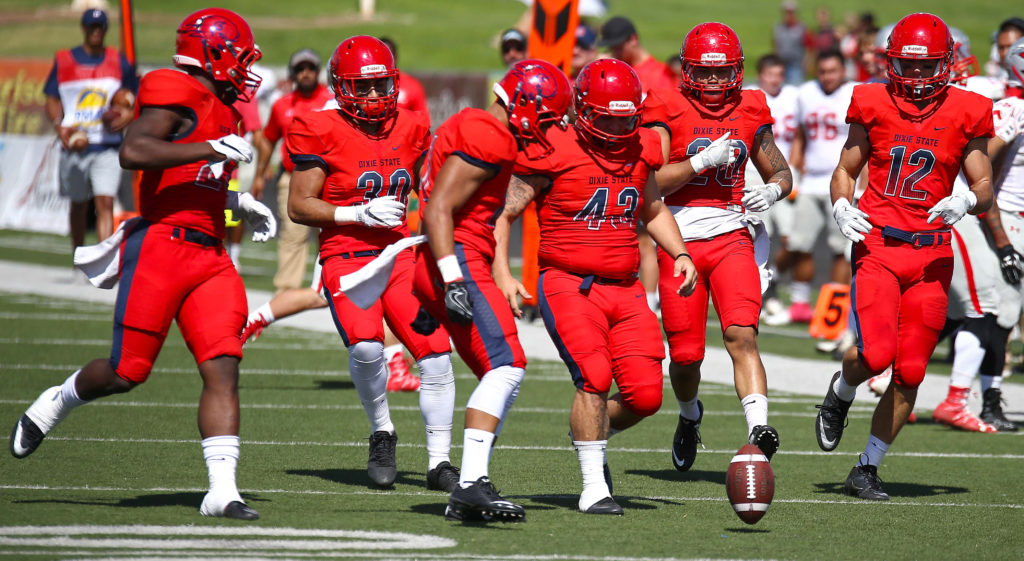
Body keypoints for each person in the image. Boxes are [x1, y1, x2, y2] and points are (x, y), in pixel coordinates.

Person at [10, 8, 277, 520]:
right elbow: (133, 150)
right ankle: (58, 400)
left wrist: (235, 204)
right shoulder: (173, 89)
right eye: (240, 57)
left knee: (223, 366)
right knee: (127, 371)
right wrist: (208, 145)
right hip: (162, 248)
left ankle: (222, 491)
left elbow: (197, 180)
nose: (245, 69)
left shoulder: (227, 111)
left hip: (210, 255)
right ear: (215, 53)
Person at [493, 59, 698, 515]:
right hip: (568, 283)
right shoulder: (553, 147)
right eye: (607, 116)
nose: (618, 126)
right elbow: (502, 213)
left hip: (624, 287)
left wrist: (680, 252)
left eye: (626, 116)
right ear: (583, 111)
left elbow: (653, 207)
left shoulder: (641, 146)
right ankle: (593, 487)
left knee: (646, 396)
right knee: (594, 376)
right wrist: (503, 273)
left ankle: (587, 430)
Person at [813, 12, 994, 501]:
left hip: (932, 254)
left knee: (911, 370)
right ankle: (841, 390)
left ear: (945, 64)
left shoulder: (968, 109)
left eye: (924, 67)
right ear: (892, 62)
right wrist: (841, 204)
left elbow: (983, 184)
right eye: (906, 67)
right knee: (875, 354)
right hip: (879, 244)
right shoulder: (872, 100)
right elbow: (846, 168)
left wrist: (968, 200)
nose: (914, 77)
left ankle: (866, 467)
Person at [284, 36, 458, 491]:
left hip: (401, 253)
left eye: (381, 85)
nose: (375, 96)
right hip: (348, 255)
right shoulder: (316, 127)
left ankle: (440, 461)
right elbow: (300, 204)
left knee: (436, 352)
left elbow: (434, 190)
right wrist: (355, 213)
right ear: (341, 88)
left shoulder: (414, 125)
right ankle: (382, 430)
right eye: (363, 88)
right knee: (366, 347)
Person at [413, 59, 571, 522]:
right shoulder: (490, 133)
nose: (550, 129)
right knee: (507, 365)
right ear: (524, 105)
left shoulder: (476, 123)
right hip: (455, 256)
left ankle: (471, 480)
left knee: (497, 372)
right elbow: (439, 208)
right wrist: (451, 277)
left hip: (449, 257)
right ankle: (469, 483)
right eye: (548, 118)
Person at [641, 22, 793, 472]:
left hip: (731, 236)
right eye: (704, 73)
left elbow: (781, 172)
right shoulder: (667, 104)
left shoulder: (750, 106)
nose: (712, 82)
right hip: (679, 238)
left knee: (741, 335)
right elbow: (651, 182)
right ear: (687, 71)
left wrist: (773, 192)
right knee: (685, 356)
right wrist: (699, 161)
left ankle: (758, 430)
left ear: (737, 70)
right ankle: (690, 416)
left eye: (721, 72)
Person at [936, 39, 1024, 433]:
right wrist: (1002, 241)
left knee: (998, 314)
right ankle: (974, 399)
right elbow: (981, 170)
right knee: (991, 313)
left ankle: (983, 398)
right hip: (1006, 217)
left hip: (1010, 218)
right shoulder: (1014, 109)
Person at [44, 8, 138, 263]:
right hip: (75, 142)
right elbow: (51, 98)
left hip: (106, 144)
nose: (95, 32)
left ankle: (102, 262)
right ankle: (78, 258)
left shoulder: (118, 61)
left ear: (106, 30)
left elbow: (134, 95)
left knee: (105, 203)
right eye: (91, 27)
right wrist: (59, 125)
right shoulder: (65, 60)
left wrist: (128, 114)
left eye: (100, 27)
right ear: (83, 28)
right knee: (78, 206)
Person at [783, 49, 858, 327]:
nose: (827, 77)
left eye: (833, 71)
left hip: (841, 180)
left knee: (841, 248)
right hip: (811, 179)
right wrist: (793, 169)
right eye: (823, 71)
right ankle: (800, 304)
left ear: (843, 71)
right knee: (800, 243)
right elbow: (800, 134)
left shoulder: (856, 91)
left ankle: (831, 314)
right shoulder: (805, 92)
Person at [255, 48, 333, 296]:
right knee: (292, 233)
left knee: (333, 232)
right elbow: (268, 139)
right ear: (293, 73)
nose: (306, 73)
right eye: (300, 69)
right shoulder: (282, 105)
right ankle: (287, 291)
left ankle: (334, 286)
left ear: (318, 72)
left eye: (310, 68)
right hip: (293, 177)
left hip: (330, 177)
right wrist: (260, 173)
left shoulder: (331, 102)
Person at [746, 54, 799, 324]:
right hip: (753, 175)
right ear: (760, 74)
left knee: (793, 239)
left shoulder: (794, 96)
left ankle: (773, 280)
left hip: (785, 175)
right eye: (770, 74)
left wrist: (798, 168)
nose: (775, 79)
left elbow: (802, 132)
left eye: (779, 74)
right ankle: (759, 292)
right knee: (755, 234)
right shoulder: (748, 96)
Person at [598, 16, 676, 92]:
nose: (614, 53)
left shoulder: (663, 74)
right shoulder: (615, 72)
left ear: (633, 39)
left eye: (618, 47)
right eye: (611, 48)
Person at [379, 37, 430, 121]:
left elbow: (422, 120)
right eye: (380, 56)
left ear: (396, 57)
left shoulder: (411, 85)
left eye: (389, 56)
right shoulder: (366, 85)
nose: (385, 60)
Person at [773, 1, 812, 85]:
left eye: (791, 12)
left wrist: (807, 63)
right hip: (781, 63)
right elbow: (775, 44)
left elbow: (808, 47)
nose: (789, 15)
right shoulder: (779, 28)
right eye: (787, 12)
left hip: (796, 64)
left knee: (795, 85)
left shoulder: (802, 28)